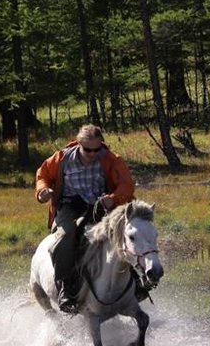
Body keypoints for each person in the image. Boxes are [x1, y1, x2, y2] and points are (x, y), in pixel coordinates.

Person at [35, 124, 135, 314]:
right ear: (78, 144)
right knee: (66, 237)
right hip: (69, 205)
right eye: (88, 149)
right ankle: (65, 286)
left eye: (97, 149)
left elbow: (126, 185)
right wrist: (43, 191)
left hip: (99, 205)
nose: (92, 154)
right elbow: (43, 175)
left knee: (126, 234)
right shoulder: (61, 159)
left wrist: (112, 199)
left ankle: (136, 282)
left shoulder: (112, 160)